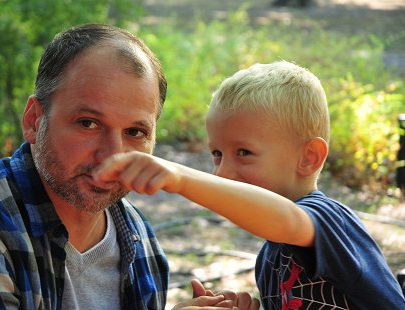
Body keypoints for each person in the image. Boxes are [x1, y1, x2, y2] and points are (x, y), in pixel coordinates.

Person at [0, 23, 258, 310]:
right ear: (34, 120)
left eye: (135, 132)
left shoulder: (138, 237)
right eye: (88, 123)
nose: (113, 155)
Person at [94, 60, 405, 309]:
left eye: (244, 153)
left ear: (309, 158)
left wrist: (181, 176)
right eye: (217, 154)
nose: (222, 172)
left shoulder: (328, 219)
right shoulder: (269, 259)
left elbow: (286, 219)